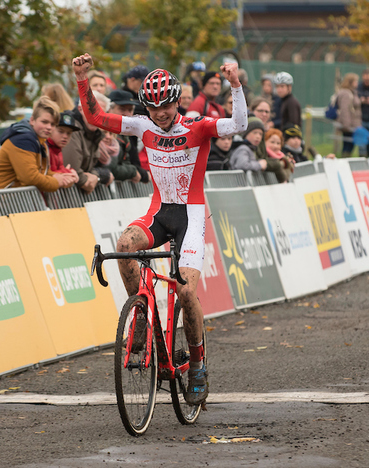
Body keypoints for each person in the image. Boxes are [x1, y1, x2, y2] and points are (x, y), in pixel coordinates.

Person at [72, 53, 248, 406]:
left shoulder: (197, 125)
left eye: (165, 106)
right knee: (124, 246)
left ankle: (197, 363)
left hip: (191, 216)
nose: (160, 114)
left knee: (185, 294)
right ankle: (140, 320)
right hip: (158, 213)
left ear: (176, 101)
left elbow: (239, 124)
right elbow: (94, 117)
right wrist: (81, 78)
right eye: (153, 108)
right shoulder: (142, 126)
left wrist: (235, 85)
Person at [0, 96, 77, 191]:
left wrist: (63, 177)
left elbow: (41, 173)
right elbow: (29, 178)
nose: (49, 127)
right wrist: (56, 182)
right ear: (32, 120)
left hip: (4, 201)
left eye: (52, 124)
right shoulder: (23, 139)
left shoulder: (40, 141)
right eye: (44, 122)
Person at [63, 91, 113, 194]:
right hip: (65, 195)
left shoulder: (96, 134)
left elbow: (91, 169)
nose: (95, 117)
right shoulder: (72, 129)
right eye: (92, 111)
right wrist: (87, 181)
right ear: (80, 109)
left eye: (100, 113)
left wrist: (95, 176)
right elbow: (71, 168)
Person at [107, 90, 146, 183]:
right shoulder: (106, 133)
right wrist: (133, 171)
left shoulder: (127, 134)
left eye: (130, 110)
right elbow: (112, 168)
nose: (127, 114)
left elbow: (129, 162)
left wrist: (135, 171)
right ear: (109, 109)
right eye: (122, 109)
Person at [335, 73, 362, 158]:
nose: (357, 83)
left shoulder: (353, 92)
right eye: (355, 81)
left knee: (350, 147)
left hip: (353, 125)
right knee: (347, 147)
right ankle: (344, 162)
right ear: (350, 82)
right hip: (349, 126)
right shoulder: (346, 94)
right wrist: (347, 126)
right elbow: (345, 110)